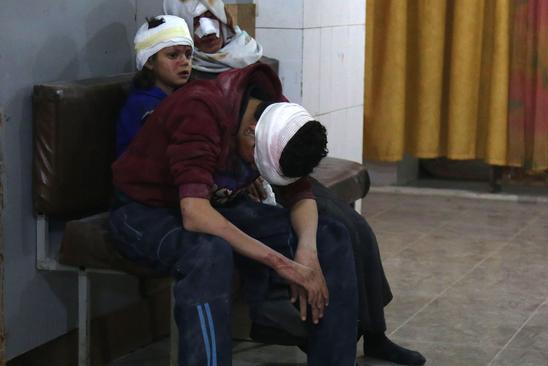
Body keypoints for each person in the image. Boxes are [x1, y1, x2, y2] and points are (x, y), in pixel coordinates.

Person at [164, 1, 426, 364]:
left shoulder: (260, 89)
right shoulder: (194, 100)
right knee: (332, 231)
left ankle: (370, 333)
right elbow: (195, 191)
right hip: (240, 185)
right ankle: (294, 321)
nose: (208, 35)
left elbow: (293, 180)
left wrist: (307, 249)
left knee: (351, 227)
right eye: (198, 29)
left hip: (266, 173)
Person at [110, 62, 358, 366]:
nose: (253, 170)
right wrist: (282, 264)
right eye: (257, 162)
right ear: (251, 133)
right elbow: (195, 214)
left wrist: (307, 252)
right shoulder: (199, 110)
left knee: (329, 235)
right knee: (208, 253)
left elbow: (299, 194)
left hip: (213, 204)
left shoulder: (278, 114)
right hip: (144, 210)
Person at [115, 15, 194, 157]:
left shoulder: (185, 96)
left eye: (188, 55)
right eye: (173, 55)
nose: (185, 62)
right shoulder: (142, 106)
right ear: (149, 61)